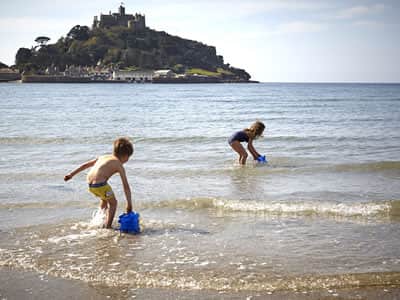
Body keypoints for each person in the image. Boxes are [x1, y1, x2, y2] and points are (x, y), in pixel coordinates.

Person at [64, 137, 134, 228]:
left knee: (104, 199)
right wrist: (129, 204)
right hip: (101, 185)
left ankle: (99, 220)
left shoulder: (103, 157)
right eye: (128, 157)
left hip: (90, 185)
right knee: (113, 203)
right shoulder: (118, 164)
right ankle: (108, 227)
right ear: (125, 155)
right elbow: (126, 186)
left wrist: (71, 174)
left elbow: (85, 165)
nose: (127, 160)